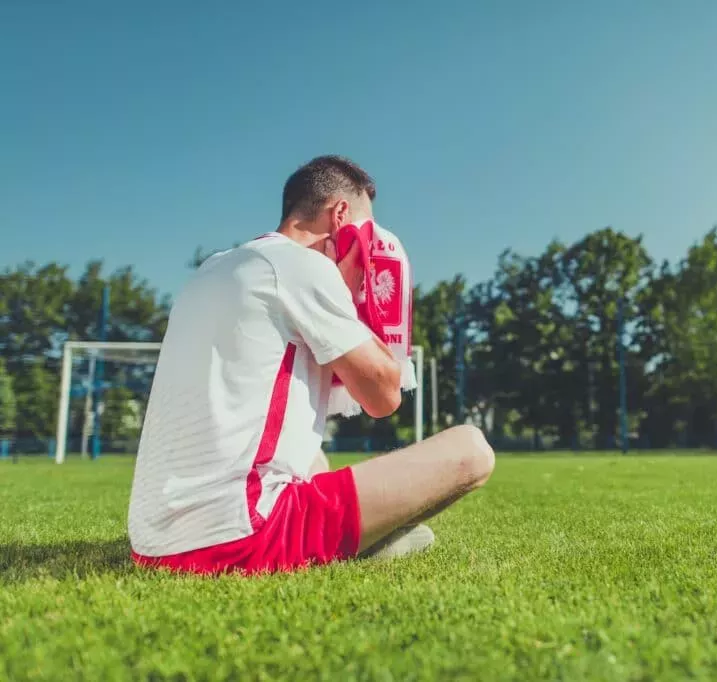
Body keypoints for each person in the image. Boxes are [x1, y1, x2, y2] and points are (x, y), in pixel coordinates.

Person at [127, 156, 494, 573]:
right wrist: (357, 292)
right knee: (473, 449)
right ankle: (355, 545)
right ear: (341, 215)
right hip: (239, 538)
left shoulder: (216, 267)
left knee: (310, 451)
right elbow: (383, 398)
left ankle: (354, 537)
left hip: (151, 543)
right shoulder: (305, 266)